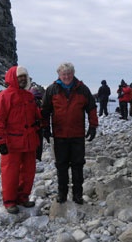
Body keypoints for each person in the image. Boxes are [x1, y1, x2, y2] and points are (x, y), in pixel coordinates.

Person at [41, 62, 98, 204]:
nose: (66, 76)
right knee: (61, 165)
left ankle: (78, 194)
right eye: (63, 74)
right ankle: (62, 194)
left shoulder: (82, 89)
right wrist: (45, 128)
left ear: (73, 74)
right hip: (59, 135)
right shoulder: (52, 90)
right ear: (59, 75)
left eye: (69, 73)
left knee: (78, 165)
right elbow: (45, 110)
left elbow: (91, 107)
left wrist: (93, 126)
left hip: (77, 135)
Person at [0, 65, 42, 214]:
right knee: (10, 172)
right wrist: (1, 141)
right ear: (12, 77)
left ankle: (23, 197)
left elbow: (36, 117)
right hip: (12, 142)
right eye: (19, 76)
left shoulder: (29, 96)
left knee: (28, 171)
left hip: (29, 141)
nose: (22, 79)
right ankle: (9, 201)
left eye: (24, 76)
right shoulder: (5, 96)